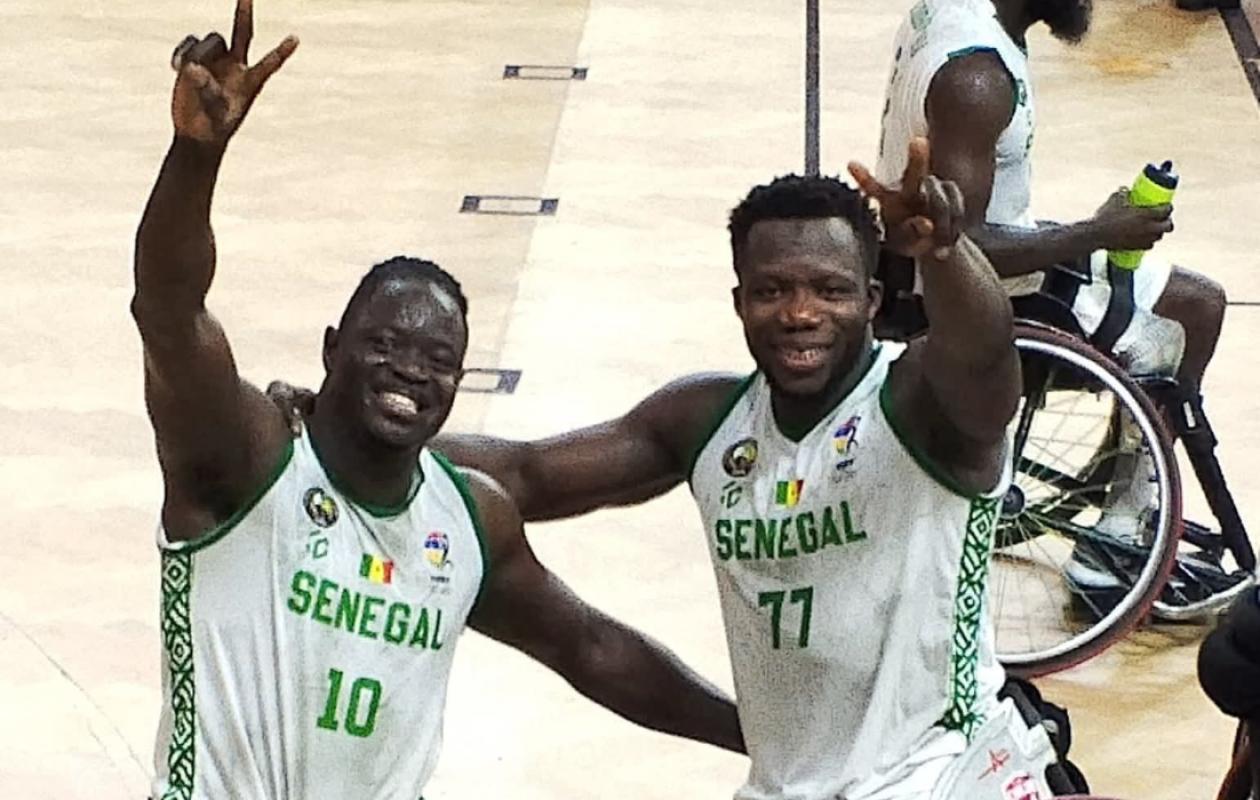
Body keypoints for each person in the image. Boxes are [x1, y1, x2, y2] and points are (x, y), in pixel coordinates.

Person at [274, 139, 1063, 798]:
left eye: (829, 289)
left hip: (951, 771)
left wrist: (949, 255)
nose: (799, 312)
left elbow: (988, 367)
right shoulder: (704, 421)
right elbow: (529, 476)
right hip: (794, 784)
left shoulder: (918, 398)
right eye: (772, 290)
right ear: (737, 300)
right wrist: (337, 420)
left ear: (873, 297)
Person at [131, 2, 744, 797]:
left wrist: (761, 733)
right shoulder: (248, 461)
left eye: (439, 361)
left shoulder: (466, 520)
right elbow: (170, 311)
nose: (410, 372)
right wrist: (195, 158)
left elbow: (589, 648)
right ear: (331, 350)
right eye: (384, 345)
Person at [872, 0, 1229, 589]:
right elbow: (959, 245)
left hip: (932, 275)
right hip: (965, 301)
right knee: (1184, 320)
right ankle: (1116, 548)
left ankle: (1122, 521)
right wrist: (1097, 233)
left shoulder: (953, 13)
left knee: (1191, 298)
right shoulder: (977, 77)